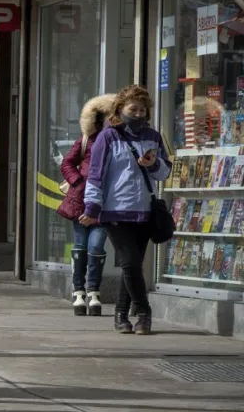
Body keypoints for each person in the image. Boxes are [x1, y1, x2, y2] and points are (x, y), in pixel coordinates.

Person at [81, 85, 171, 335]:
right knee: (130, 263)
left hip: (144, 211)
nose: (139, 113)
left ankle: (121, 315)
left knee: (131, 266)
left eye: (143, 109)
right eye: (134, 109)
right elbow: (96, 175)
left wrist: (154, 165)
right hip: (115, 211)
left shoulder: (153, 136)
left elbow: (165, 172)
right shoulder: (108, 137)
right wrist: (91, 208)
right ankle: (144, 313)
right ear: (120, 109)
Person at [57, 94, 114, 316]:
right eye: (104, 119)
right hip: (80, 201)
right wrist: (78, 181)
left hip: (104, 202)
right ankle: (79, 291)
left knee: (96, 246)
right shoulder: (85, 140)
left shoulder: (117, 141)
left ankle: (93, 292)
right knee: (81, 246)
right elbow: (67, 163)